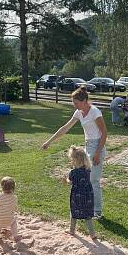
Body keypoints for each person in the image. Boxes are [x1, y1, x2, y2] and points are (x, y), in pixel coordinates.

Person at [42, 87, 107, 219]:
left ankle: (98, 212)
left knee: (93, 180)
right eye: (74, 103)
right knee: (87, 178)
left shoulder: (95, 112)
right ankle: (89, 208)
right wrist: (49, 142)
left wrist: (98, 153)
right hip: (88, 145)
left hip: (97, 145)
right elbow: (65, 128)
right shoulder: (79, 112)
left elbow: (104, 133)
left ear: (84, 101)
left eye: (76, 103)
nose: (75, 105)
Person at [64, 146, 96, 239]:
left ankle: (72, 230)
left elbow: (69, 182)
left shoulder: (73, 172)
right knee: (87, 215)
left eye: (72, 159)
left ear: (75, 160)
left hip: (76, 196)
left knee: (74, 212)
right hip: (88, 195)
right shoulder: (88, 170)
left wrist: (65, 180)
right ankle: (92, 234)